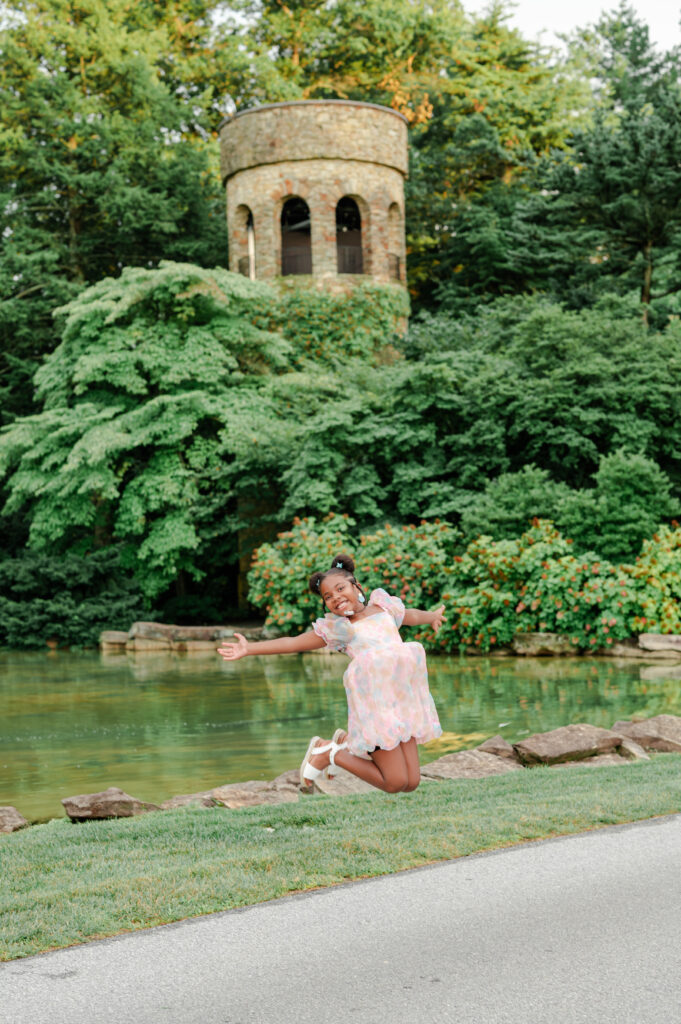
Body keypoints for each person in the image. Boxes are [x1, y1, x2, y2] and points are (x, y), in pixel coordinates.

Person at [218, 553, 445, 793]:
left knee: (411, 783)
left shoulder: (384, 608)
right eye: (328, 596)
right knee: (395, 782)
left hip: (403, 704)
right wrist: (249, 648)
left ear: (356, 586)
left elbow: (412, 615)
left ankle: (344, 742)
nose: (336, 597)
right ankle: (329, 753)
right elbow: (292, 643)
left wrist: (433, 617)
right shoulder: (340, 629)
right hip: (376, 711)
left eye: (340, 589)